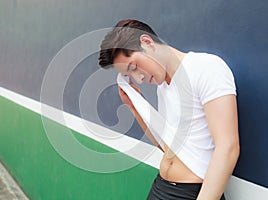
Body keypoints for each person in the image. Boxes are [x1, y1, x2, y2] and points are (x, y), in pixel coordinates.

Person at [98, 19, 240, 200]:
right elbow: (168, 147)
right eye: (129, 75)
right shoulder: (163, 87)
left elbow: (228, 147)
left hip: (192, 193)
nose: (138, 79)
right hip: (161, 187)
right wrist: (133, 108)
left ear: (147, 43)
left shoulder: (206, 68)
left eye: (133, 67)